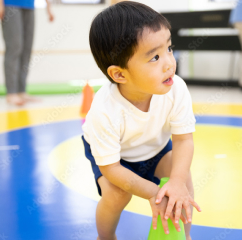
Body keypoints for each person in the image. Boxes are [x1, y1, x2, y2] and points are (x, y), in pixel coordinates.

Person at [82, 2, 201, 239]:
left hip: (155, 147)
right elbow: (111, 167)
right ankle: (105, 236)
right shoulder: (105, 109)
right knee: (117, 195)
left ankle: (185, 236)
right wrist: (152, 192)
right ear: (119, 74)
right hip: (116, 159)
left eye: (169, 48)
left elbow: (183, 140)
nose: (169, 62)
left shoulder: (176, 88)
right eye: (155, 57)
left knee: (182, 182)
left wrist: (176, 182)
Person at [0, 0, 54, 106]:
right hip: (11, 4)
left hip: (29, 6)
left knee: (26, 49)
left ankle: (21, 91)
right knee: (14, 47)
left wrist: (48, 6)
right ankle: (11, 93)